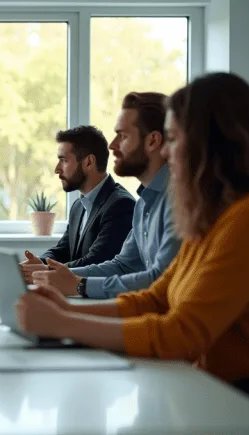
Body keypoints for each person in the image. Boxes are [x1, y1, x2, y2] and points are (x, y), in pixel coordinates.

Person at [16, 72, 249, 408]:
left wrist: (66, 322)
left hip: (243, 407)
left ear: (209, 143)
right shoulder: (212, 218)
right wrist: (64, 308)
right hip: (202, 392)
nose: (166, 153)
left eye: (173, 139)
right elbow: (155, 298)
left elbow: (182, 334)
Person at [31, 92, 182, 299]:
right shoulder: (143, 204)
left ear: (153, 141)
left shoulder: (180, 201)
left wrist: (79, 285)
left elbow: (159, 280)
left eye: (123, 136)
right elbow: (123, 264)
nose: (112, 146)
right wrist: (50, 275)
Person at [21, 125, 135, 281]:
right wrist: (37, 263)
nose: (57, 169)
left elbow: (97, 261)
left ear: (89, 162)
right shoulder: (78, 206)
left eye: (64, 160)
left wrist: (45, 270)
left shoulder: (121, 205)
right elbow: (62, 250)